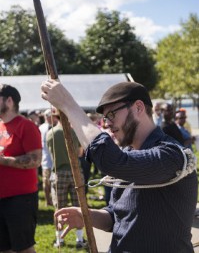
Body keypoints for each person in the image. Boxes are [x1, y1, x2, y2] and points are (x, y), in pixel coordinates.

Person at [41, 80, 198, 253]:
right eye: (105, 118)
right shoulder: (129, 154)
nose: (107, 123)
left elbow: (110, 160)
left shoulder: (172, 155)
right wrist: (87, 216)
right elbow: (117, 216)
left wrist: (68, 105)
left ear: (138, 108)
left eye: (112, 114)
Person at [0, 84, 42, 253]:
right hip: (2, 197)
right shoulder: (1, 126)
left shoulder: (26, 126)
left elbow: (35, 160)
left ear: (9, 101)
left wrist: (3, 161)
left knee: (24, 248)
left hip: (20, 199)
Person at [46, 111, 87, 249]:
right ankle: (80, 239)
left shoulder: (50, 133)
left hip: (59, 173)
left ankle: (59, 240)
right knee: (79, 206)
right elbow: (80, 153)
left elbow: (50, 154)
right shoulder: (74, 132)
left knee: (59, 208)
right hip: (75, 172)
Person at [39, 108, 59, 206]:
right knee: (46, 181)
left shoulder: (59, 127)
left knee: (56, 181)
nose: (49, 118)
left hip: (57, 160)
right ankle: (48, 200)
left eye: (51, 116)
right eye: (47, 116)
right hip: (46, 159)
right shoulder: (41, 128)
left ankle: (56, 199)